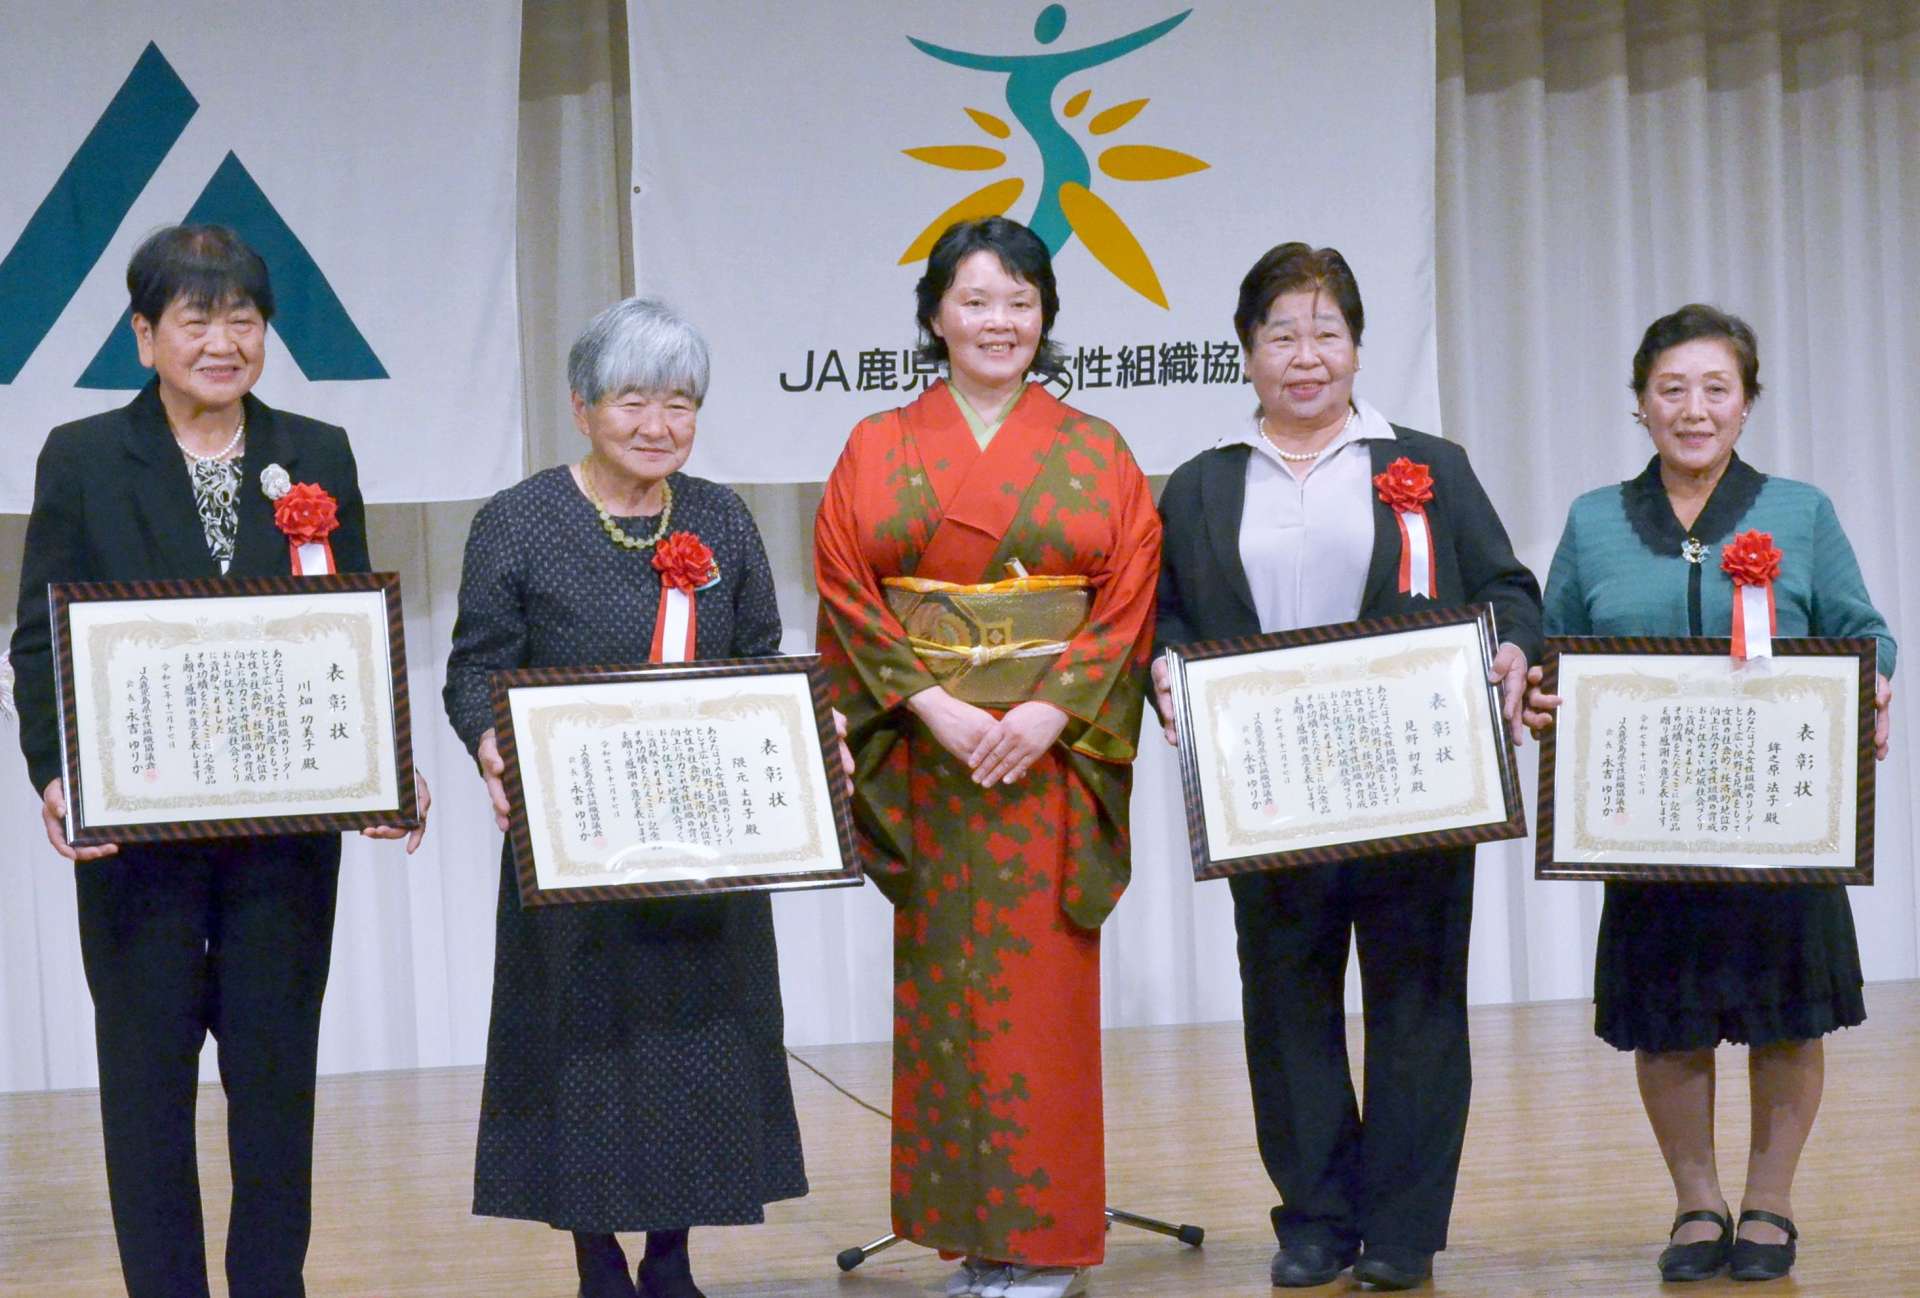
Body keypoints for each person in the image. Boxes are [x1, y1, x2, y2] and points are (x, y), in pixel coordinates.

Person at [8, 223, 429, 1298]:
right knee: (145, 1096)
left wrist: (388, 758)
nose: (222, 339)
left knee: (275, 1091)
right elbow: (37, 638)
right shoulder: (83, 455)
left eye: (243, 316)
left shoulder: (317, 449)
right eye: (195, 317)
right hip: (137, 844)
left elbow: (349, 627)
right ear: (144, 334)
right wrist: (58, 773)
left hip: (284, 847)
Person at [1152, 242, 1541, 1292]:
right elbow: (1170, 615)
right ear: (1246, 349)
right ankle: (1316, 1218)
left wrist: (1511, 644)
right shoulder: (1198, 486)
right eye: (1282, 332)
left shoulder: (1427, 464)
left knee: (1418, 1000)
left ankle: (1406, 1228)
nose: (1306, 354)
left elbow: (1509, 585)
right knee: (1287, 1007)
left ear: (1360, 347)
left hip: (1415, 783)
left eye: (1327, 331)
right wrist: (1164, 669)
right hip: (1270, 793)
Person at [813, 216, 1161, 1298]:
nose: (998, 321)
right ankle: (971, 1229)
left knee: (1042, 997)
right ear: (934, 315)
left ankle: (1045, 1234)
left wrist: (1052, 712)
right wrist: (931, 704)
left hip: (1049, 765)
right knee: (949, 997)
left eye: (1019, 300)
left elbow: (1128, 594)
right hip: (934, 765)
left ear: (1046, 315)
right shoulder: (877, 442)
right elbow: (844, 585)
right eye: (975, 300)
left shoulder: (1097, 448)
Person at [1523, 303, 1895, 1284]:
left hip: (1780, 815)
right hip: (1650, 816)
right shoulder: (1595, 520)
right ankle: (1697, 1200)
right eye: (1671, 389)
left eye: (1715, 389)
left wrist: (1878, 679)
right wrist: (1541, 695)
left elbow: (1867, 629)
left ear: (1747, 402)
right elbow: (1558, 643)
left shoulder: (1800, 511)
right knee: (1669, 1013)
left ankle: (1770, 1201)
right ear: (1641, 405)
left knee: (1788, 1013)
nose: (1694, 409)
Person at [443, 298, 807, 1298]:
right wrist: (488, 744)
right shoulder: (516, 522)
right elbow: (475, 671)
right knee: (587, 1052)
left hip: (705, 846)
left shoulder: (724, 516)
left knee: (699, 1053)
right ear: (583, 403)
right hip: (576, 845)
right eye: (634, 398)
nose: (659, 424)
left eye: (681, 402)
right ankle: (596, 1258)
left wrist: (805, 749)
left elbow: (762, 658)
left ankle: (673, 1256)